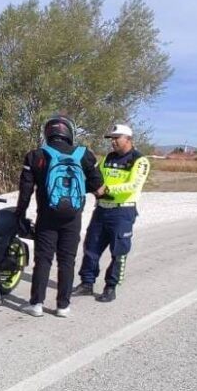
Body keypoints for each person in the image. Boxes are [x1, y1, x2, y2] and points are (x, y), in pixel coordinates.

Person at [16, 115, 105, 318]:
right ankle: (63, 306)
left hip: (46, 217)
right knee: (67, 260)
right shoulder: (84, 154)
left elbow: (25, 191)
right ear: (69, 132)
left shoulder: (35, 155)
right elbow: (98, 187)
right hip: (73, 217)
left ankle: (36, 304)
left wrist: (20, 215)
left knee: (43, 259)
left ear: (47, 133)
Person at [75, 123, 150, 303]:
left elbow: (133, 185)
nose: (113, 142)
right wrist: (88, 187)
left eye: (116, 138)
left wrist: (106, 189)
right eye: (111, 139)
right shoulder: (108, 157)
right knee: (91, 247)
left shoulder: (140, 160)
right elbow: (97, 177)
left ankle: (111, 286)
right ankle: (87, 283)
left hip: (122, 211)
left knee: (119, 251)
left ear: (128, 139)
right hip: (102, 209)